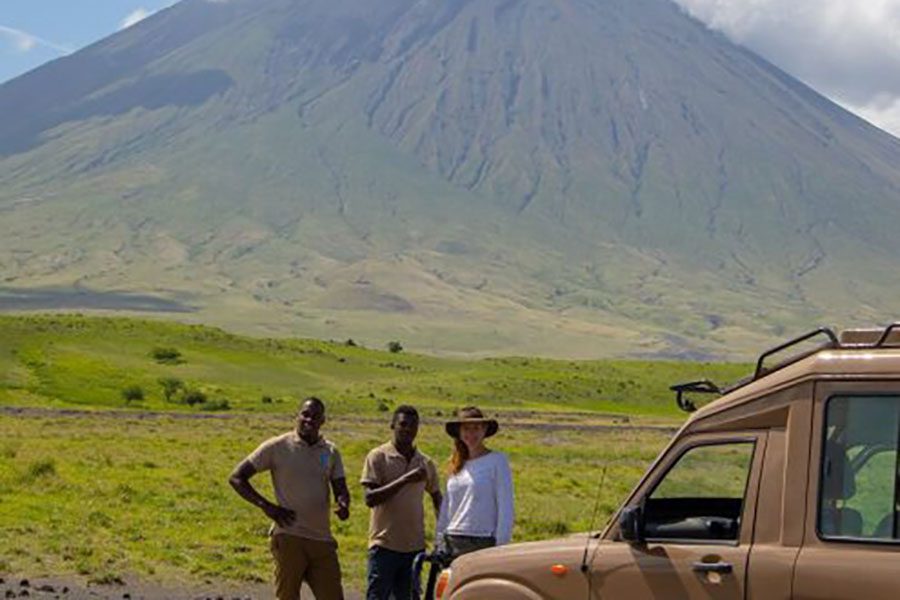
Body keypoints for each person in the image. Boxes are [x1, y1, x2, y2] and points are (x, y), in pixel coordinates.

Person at [229, 397, 350, 600]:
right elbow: (236, 478)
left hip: (322, 539)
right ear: (297, 416)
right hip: (289, 536)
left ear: (323, 421)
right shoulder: (278, 446)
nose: (309, 420)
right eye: (305, 414)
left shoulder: (330, 452)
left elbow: (341, 489)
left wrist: (343, 503)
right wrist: (267, 507)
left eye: (315, 416)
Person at [361, 405, 442, 600]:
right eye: (403, 424)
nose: (408, 429)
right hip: (384, 545)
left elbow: (437, 498)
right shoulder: (378, 456)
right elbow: (370, 498)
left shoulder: (425, 463)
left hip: (414, 548)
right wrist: (404, 480)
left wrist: (442, 533)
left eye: (413, 426)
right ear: (392, 425)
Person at [436, 406, 514, 559]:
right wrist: (439, 540)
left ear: (484, 430)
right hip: (453, 539)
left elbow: (506, 507)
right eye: (466, 428)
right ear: (459, 432)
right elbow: (447, 507)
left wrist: (501, 545)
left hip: (482, 540)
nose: (471, 434)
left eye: (476, 428)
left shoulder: (497, 461)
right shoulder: (455, 463)